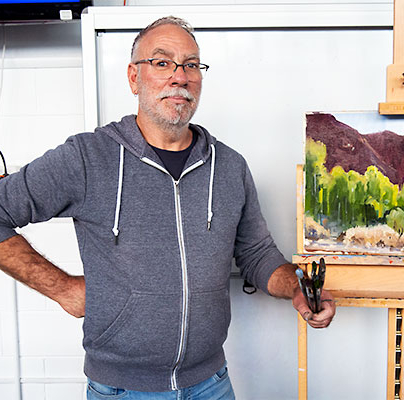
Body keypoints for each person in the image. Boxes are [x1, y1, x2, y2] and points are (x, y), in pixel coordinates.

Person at [0, 16, 335, 399]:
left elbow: (256, 254)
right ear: (133, 77)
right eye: (162, 63)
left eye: (191, 65)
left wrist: (297, 287)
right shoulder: (87, 158)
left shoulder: (229, 167)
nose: (180, 76)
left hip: (211, 384)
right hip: (122, 390)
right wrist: (63, 289)